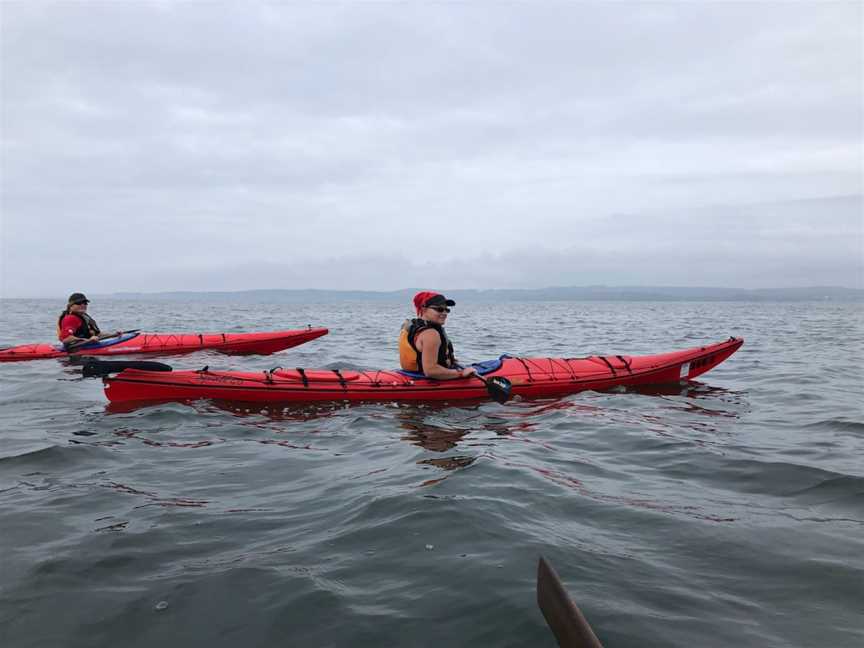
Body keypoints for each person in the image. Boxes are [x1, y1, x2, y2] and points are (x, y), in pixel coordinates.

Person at [399, 291, 478, 380]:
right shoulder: (430, 334)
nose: (444, 313)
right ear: (424, 309)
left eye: (447, 310)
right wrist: (461, 373)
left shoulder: (412, 325)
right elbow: (431, 371)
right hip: (426, 379)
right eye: (439, 309)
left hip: (411, 374)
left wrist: (451, 360)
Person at [57, 293, 122, 349]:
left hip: (89, 346)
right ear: (70, 306)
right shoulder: (70, 318)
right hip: (76, 352)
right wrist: (87, 340)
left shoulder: (85, 317)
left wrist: (113, 335)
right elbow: (66, 339)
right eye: (78, 303)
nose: (82, 305)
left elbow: (98, 334)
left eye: (85, 303)